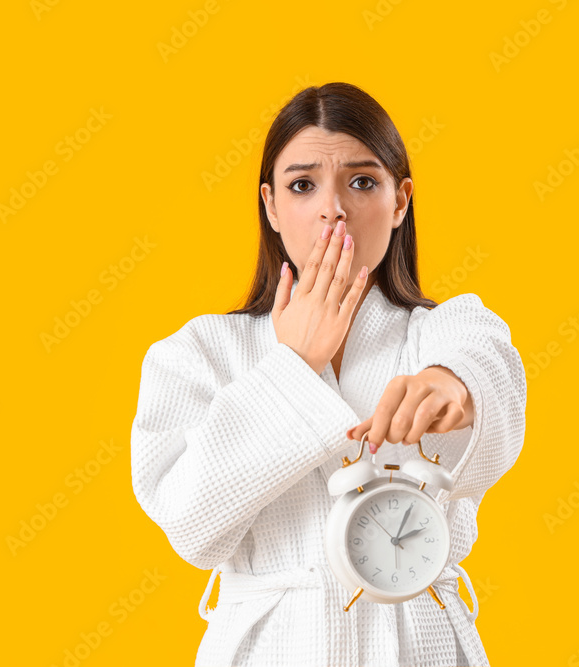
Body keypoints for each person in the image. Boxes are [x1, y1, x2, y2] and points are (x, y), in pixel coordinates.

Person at [131, 82, 527, 667]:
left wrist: (454, 383)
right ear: (270, 205)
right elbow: (191, 525)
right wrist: (293, 366)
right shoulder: (199, 351)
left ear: (401, 201)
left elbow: (485, 358)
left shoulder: (441, 331)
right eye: (302, 185)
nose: (332, 208)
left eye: (362, 182)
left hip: (421, 642)